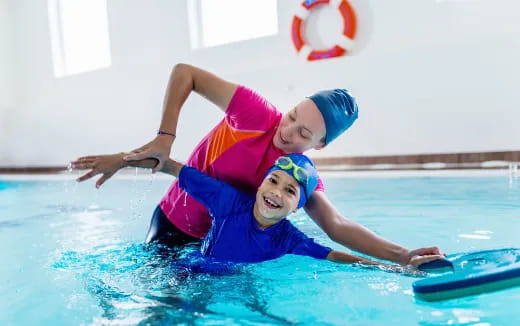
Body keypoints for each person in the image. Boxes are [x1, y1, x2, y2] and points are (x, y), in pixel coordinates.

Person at [71, 63, 442, 266]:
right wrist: (162, 139)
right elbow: (186, 73)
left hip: (216, 245)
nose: (287, 131)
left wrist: (403, 255)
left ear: (321, 145)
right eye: (292, 115)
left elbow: (337, 225)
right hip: (171, 223)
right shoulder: (254, 112)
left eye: (303, 133)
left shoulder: (297, 175)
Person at [74, 151, 440, 270]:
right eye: (274, 182)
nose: (277, 193)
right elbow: (174, 167)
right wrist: (122, 161)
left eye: (291, 191)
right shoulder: (230, 202)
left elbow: (338, 257)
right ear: (261, 184)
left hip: (235, 280)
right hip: (192, 271)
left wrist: (396, 267)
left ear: (298, 207)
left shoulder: (288, 238)